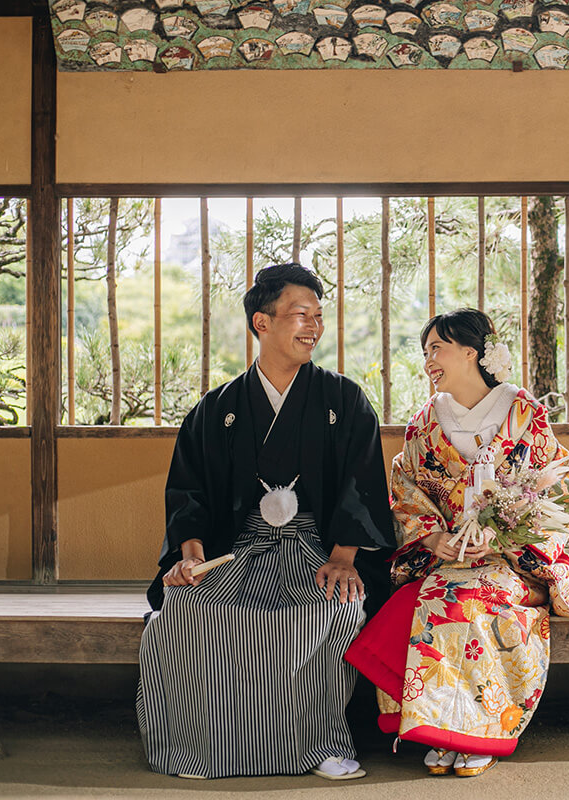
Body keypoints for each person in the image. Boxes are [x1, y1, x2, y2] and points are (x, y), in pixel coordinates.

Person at [137, 262, 396, 781]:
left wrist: (345, 558)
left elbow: (362, 483)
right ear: (262, 323)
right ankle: (197, 750)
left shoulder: (343, 400)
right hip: (239, 547)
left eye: (319, 317)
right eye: (301, 315)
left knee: (329, 612)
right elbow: (188, 490)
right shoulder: (218, 409)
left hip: (319, 546)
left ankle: (319, 745)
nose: (314, 328)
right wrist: (190, 554)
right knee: (186, 610)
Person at [344, 308, 569, 778]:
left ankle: (476, 729)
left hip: (514, 561)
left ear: (471, 351)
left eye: (437, 348)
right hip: (446, 558)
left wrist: (505, 535)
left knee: (462, 600)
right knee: (434, 593)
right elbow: (405, 492)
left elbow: (556, 490)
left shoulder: (522, 412)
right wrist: (434, 539)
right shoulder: (425, 422)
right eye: (425, 350)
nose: (428, 359)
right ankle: (439, 727)